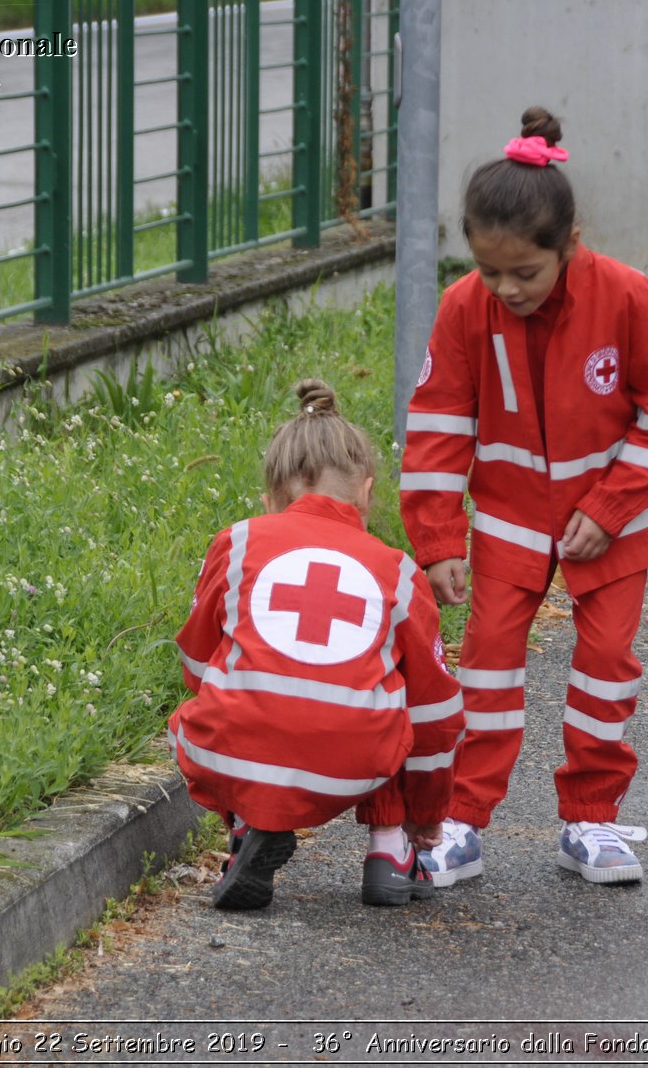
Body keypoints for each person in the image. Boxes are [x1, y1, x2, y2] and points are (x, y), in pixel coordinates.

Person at [400, 106, 648, 886]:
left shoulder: (627, 296)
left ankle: (590, 822)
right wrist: (436, 542)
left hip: (615, 519)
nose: (506, 288)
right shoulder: (466, 307)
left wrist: (611, 507)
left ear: (570, 242)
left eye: (525, 272)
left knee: (605, 666)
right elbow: (437, 428)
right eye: (490, 270)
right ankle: (460, 821)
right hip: (510, 517)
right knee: (488, 665)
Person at [168, 379, 465, 909]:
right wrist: (429, 812)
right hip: (356, 765)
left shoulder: (236, 541)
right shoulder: (396, 571)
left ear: (269, 500)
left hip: (235, 751)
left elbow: (194, 659)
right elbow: (437, 715)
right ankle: (390, 850)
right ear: (367, 492)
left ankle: (246, 830)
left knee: (214, 701)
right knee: (388, 689)